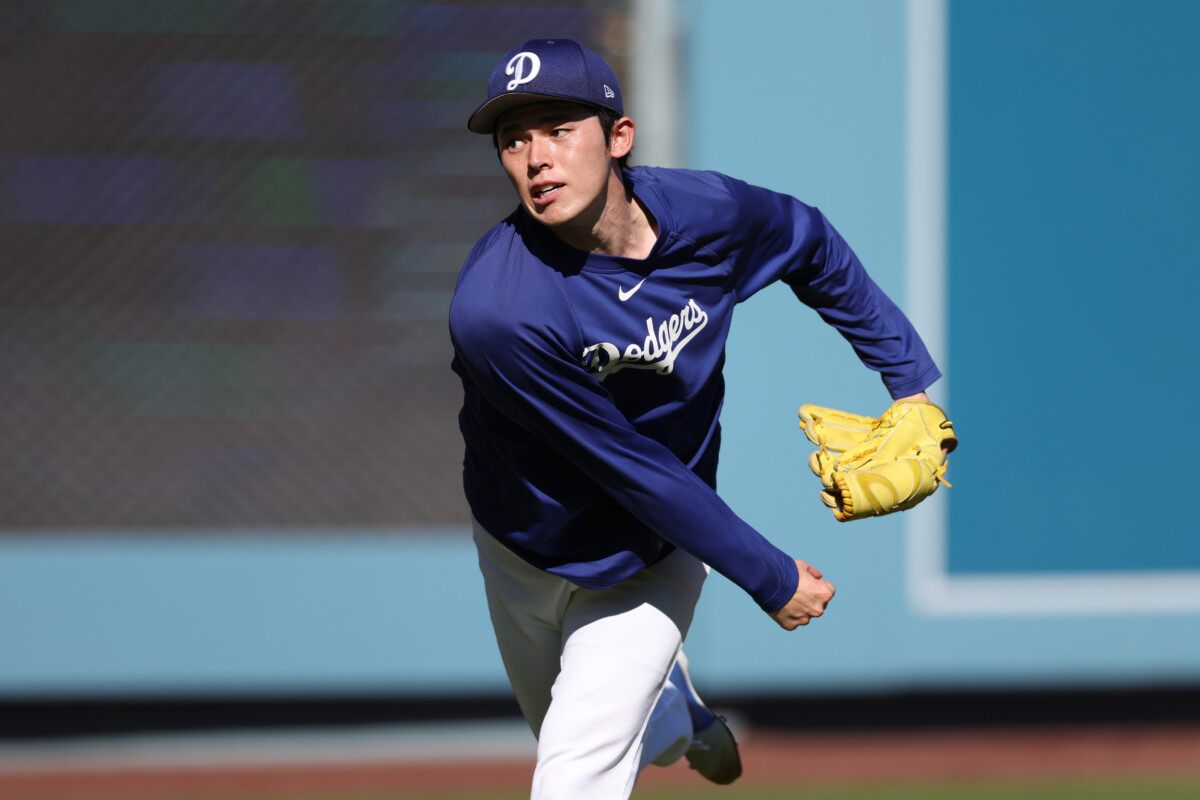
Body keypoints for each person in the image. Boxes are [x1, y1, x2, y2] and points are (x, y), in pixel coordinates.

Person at [448, 39, 943, 799]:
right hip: (521, 551)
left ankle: (661, 705)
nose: (535, 158)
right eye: (513, 139)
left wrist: (909, 385)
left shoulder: (707, 217)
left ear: (619, 137)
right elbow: (626, 465)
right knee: (575, 736)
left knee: (571, 780)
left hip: (649, 555)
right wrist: (770, 575)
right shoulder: (500, 310)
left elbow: (808, 241)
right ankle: (678, 720)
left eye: (557, 128)